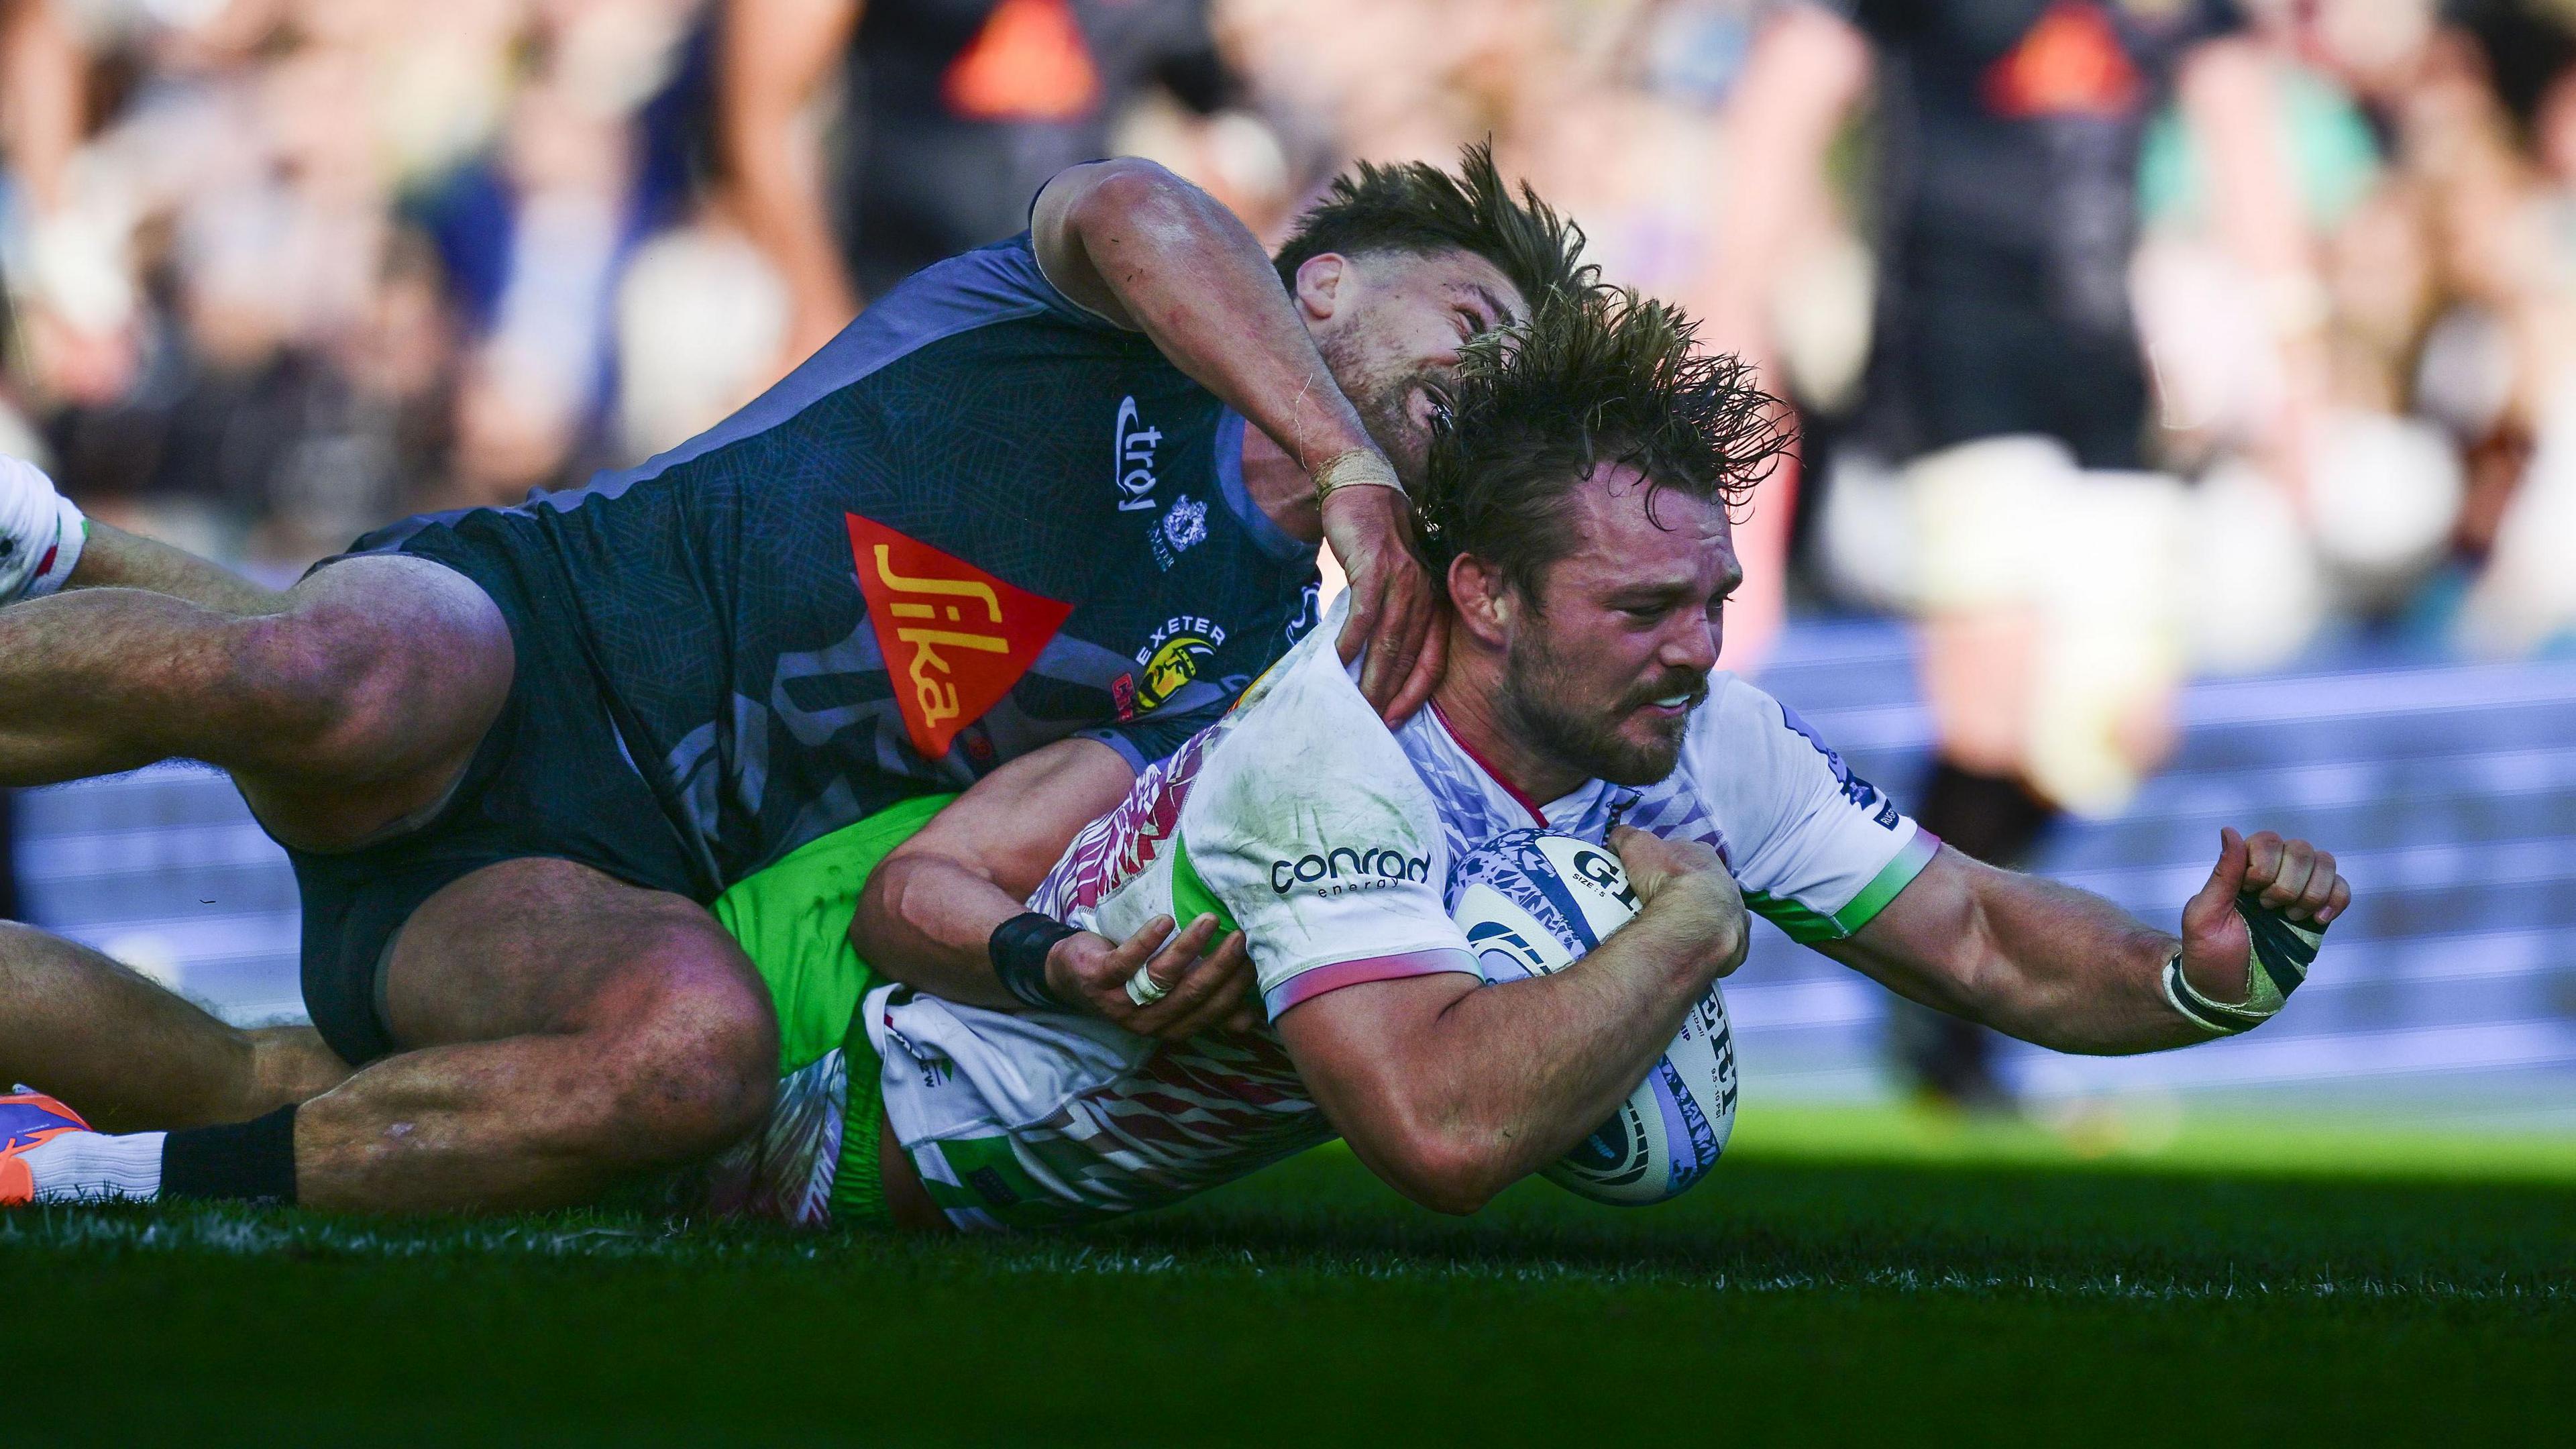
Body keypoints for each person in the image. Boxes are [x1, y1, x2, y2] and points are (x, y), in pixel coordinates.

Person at [27, 285, 2340, 1223]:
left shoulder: (1685, 742)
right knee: (294, 1044)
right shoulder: (1305, 729)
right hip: (838, 1077)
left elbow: (1972, 929)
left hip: (704, 926)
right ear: (1491, 588)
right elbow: (1434, 1124)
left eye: (1716, 597)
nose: (1704, 647)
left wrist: (2200, 972)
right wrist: (1679, 950)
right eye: (1652, 606)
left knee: (259, 1076)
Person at [0, 146, 1585, 1215]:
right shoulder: (1105, 312)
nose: (1496, 378)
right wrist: (1347, 457)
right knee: (339, 673)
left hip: (583, 875)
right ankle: (67, 554)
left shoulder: (1252, 662)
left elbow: (977, 865)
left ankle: (72, 1182)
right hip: (532, 626)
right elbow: (1129, 200)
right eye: (1473, 320)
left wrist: (1065, 962)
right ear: (1321, 292)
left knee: (696, 1054)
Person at [1706, 0, 2322, 1105]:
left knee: (2114, 732)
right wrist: (1737, 303)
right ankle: (1947, 1004)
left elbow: (2245, 141)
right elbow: (1788, 96)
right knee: (1988, 710)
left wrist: (2295, 360)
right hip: (1949, 363)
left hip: (2103, 375)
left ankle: (1924, 954)